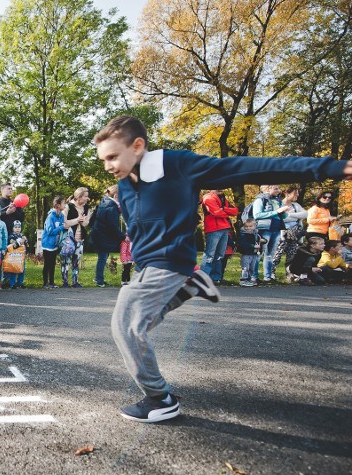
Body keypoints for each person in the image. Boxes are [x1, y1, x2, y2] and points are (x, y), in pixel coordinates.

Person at [94, 115, 350, 423]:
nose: (108, 165)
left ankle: (159, 398)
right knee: (142, 324)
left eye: (112, 156)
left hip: (170, 260)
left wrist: (331, 167)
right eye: (103, 159)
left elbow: (249, 167)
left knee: (126, 324)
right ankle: (191, 286)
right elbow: (138, 227)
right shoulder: (124, 185)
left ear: (137, 146)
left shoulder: (176, 165)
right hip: (150, 265)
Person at [199, 188, 238, 284]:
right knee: (210, 254)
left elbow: (235, 211)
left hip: (224, 228)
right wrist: (225, 212)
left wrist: (223, 209)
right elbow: (216, 212)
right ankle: (203, 278)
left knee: (219, 255)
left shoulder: (222, 198)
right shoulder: (208, 198)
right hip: (213, 229)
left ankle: (215, 278)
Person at [252, 184, 290, 282]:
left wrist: (285, 212)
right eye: (276, 188)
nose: (279, 190)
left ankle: (267, 277)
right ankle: (254, 277)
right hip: (264, 229)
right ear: (268, 189)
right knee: (259, 253)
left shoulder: (278, 200)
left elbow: (283, 216)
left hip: (277, 229)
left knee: (270, 254)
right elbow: (257, 215)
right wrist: (277, 211)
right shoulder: (260, 200)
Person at [91, 185, 126, 288]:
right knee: (102, 257)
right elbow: (113, 226)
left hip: (99, 234)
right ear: (116, 195)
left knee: (103, 257)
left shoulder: (104, 202)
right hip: (103, 236)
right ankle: (99, 280)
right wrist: (122, 236)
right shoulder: (111, 207)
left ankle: (99, 278)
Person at [273, 186, 308, 274]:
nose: (297, 195)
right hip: (281, 234)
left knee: (292, 255)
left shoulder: (295, 205)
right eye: (295, 193)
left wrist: (289, 215)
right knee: (277, 254)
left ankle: (290, 274)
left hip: (294, 234)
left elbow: (305, 214)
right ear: (287, 194)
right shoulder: (278, 204)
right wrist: (294, 216)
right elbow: (279, 218)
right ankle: (270, 274)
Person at [63, 187, 91, 287]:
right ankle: (65, 282)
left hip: (80, 238)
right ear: (79, 197)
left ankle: (75, 282)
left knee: (76, 261)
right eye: (86, 196)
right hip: (68, 239)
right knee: (66, 261)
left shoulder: (86, 208)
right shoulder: (68, 207)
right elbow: (64, 223)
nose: (88, 198)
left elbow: (86, 223)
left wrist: (84, 221)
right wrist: (77, 220)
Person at [40, 196, 67, 289]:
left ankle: (51, 282)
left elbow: (62, 228)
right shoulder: (50, 216)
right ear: (57, 205)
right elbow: (50, 231)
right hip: (47, 244)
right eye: (64, 203)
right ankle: (45, 283)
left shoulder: (62, 216)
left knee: (53, 264)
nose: (65, 205)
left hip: (55, 244)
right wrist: (61, 227)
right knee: (47, 264)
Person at [237, 218, 263, 287]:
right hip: (246, 254)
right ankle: (243, 280)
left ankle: (249, 279)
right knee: (245, 267)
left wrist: (263, 241)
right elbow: (243, 244)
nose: (248, 228)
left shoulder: (256, 234)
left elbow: (261, 239)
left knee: (252, 267)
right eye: (246, 227)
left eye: (250, 226)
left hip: (254, 254)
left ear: (254, 226)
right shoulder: (243, 235)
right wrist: (253, 246)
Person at [5, 220, 27, 288]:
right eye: (15, 227)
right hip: (14, 257)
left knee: (22, 269)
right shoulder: (11, 236)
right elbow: (13, 245)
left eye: (19, 227)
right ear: (12, 228)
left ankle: (20, 283)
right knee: (13, 269)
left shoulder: (22, 235)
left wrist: (25, 240)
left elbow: (27, 245)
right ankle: (12, 283)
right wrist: (21, 242)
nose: (17, 228)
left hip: (21, 256)